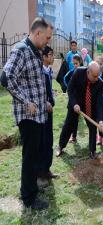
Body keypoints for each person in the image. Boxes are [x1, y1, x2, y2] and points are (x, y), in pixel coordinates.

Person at [3, 17, 53, 210]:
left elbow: (35, 81)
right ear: (37, 33)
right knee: (30, 156)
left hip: (39, 113)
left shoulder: (36, 50)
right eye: (47, 37)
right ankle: (29, 198)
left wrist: (45, 101)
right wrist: (25, 101)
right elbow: (6, 77)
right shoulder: (21, 50)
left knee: (35, 153)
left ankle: (31, 188)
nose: (48, 41)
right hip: (28, 116)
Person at [56, 62, 103, 159]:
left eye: (98, 76)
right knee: (68, 124)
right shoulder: (78, 72)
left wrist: (100, 120)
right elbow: (70, 89)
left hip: (89, 105)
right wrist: (74, 104)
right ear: (88, 72)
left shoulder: (100, 83)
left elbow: (100, 103)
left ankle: (92, 151)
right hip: (76, 103)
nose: (97, 79)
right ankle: (61, 146)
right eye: (94, 76)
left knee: (92, 126)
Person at [38, 45, 58, 181]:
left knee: (49, 139)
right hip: (42, 111)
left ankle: (46, 169)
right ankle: (40, 170)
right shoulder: (40, 72)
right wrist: (45, 101)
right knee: (43, 140)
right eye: (50, 54)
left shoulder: (48, 71)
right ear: (44, 57)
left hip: (50, 110)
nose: (52, 57)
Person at [63, 54, 81, 143]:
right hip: (72, 99)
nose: (75, 65)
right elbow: (65, 78)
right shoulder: (71, 72)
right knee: (70, 119)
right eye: (73, 64)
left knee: (76, 118)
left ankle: (74, 136)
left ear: (80, 63)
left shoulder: (82, 72)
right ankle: (70, 136)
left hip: (79, 99)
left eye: (76, 63)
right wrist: (69, 87)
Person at [95, 56, 103, 146]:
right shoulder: (94, 74)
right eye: (97, 63)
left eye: (101, 64)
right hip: (96, 101)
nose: (99, 65)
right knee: (97, 120)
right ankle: (98, 138)